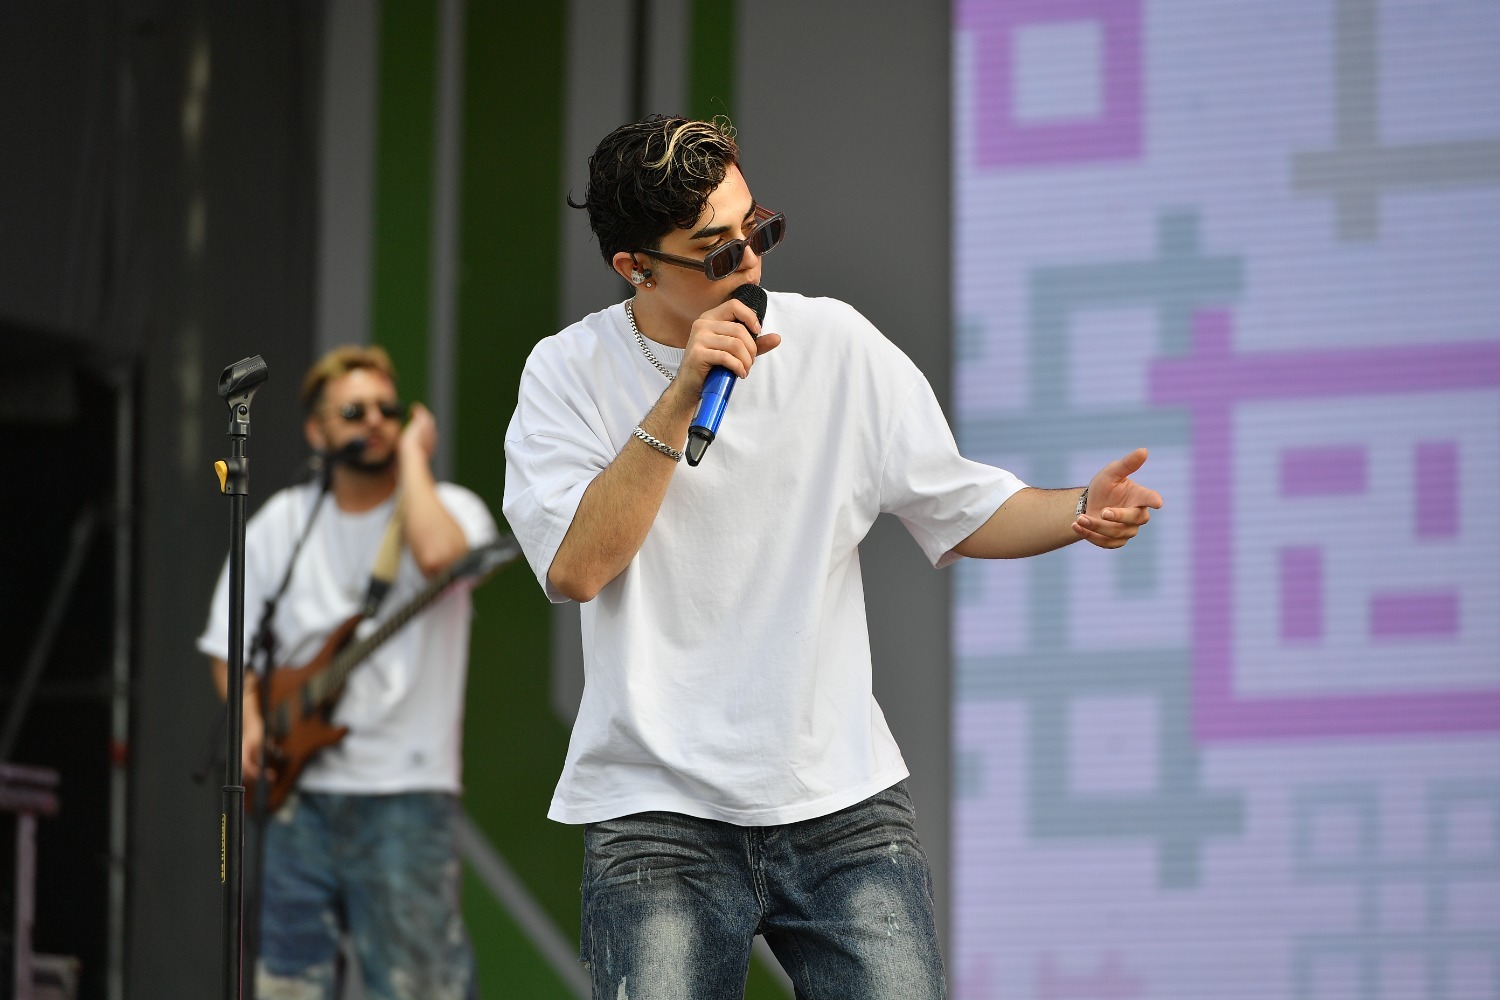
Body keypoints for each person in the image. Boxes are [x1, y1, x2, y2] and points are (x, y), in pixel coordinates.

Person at [502, 115, 1162, 1000]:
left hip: (841, 801)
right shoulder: (566, 372)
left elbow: (963, 507)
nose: (749, 260)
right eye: (715, 250)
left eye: (756, 229)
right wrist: (679, 395)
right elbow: (577, 567)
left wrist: (1080, 509)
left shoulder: (838, 344)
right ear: (636, 267)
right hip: (656, 812)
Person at [199, 344, 497, 1000]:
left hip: (405, 795)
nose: (376, 422)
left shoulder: (449, 507)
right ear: (316, 431)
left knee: (421, 988)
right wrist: (250, 719)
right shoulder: (283, 521)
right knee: (286, 987)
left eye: (388, 409)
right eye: (354, 411)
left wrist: (415, 458)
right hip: (297, 799)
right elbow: (228, 644)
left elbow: (440, 557)